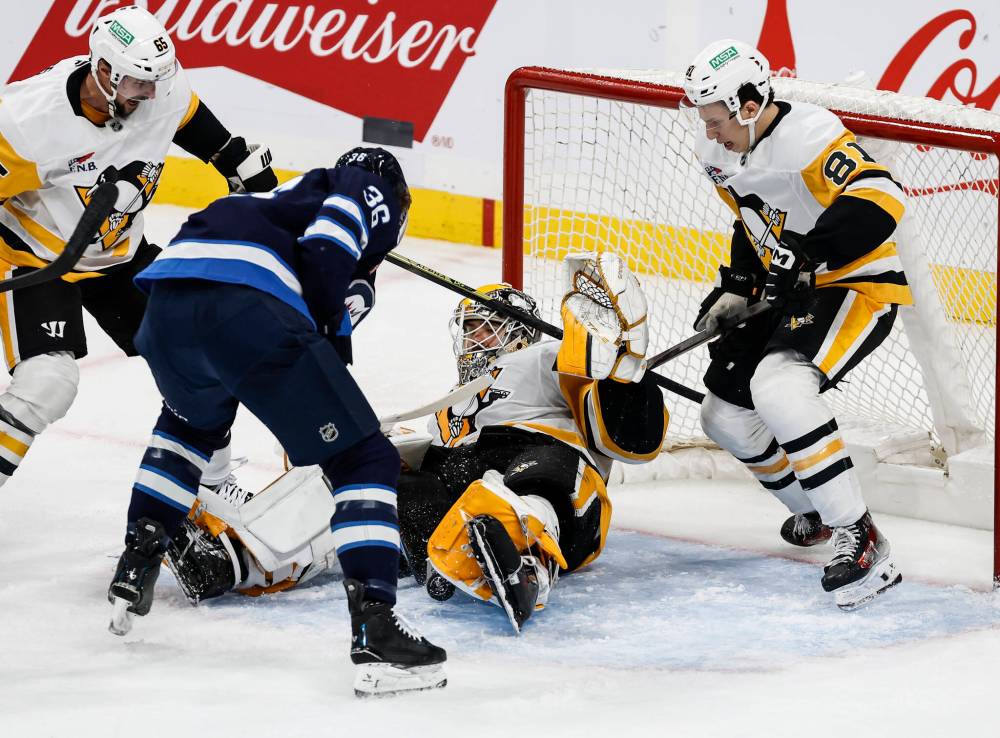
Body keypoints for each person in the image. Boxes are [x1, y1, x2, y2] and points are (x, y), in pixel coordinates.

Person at [149, 254, 668, 636]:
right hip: (454, 501)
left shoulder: (547, 358)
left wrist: (625, 372)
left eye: (487, 329)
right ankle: (236, 559)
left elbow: (630, 438)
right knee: (364, 479)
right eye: (469, 330)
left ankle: (521, 559)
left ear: (519, 333)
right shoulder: (455, 404)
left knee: (541, 473)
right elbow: (415, 451)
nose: (474, 341)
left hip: (549, 478)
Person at [106, 146, 447, 698]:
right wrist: (331, 346)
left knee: (188, 428)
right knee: (365, 458)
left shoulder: (273, 201)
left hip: (166, 309)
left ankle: (135, 562)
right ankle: (378, 629)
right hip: (245, 307)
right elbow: (329, 246)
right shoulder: (366, 181)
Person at [0, 5, 276, 493]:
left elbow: (189, 117)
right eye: (136, 85)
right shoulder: (27, 121)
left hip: (120, 256)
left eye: (155, 83)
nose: (149, 95)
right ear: (102, 70)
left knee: (204, 353)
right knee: (48, 383)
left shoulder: (157, 89)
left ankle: (209, 488)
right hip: (39, 261)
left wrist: (235, 159)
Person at [681, 39, 909, 609]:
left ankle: (862, 535)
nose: (710, 131)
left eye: (717, 120)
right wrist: (737, 285)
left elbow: (882, 195)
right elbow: (756, 221)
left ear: (750, 103)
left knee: (778, 386)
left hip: (855, 283)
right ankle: (818, 512)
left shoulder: (808, 135)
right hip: (788, 289)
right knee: (724, 416)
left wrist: (807, 254)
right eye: (704, 120)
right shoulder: (723, 154)